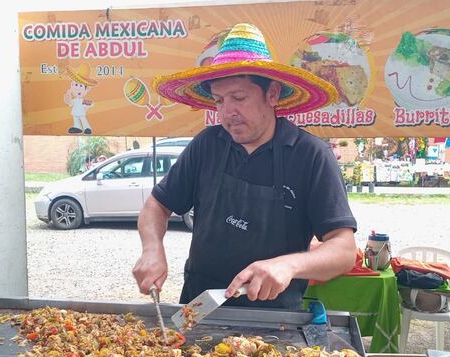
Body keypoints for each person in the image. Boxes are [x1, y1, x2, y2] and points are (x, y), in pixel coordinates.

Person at [133, 23, 357, 309]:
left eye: (238, 98)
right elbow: (157, 205)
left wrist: (289, 265)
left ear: (272, 94)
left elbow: (344, 249)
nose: (227, 113)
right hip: (199, 308)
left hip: (275, 318)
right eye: (219, 101)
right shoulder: (206, 145)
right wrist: (152, 249)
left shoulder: (311, 155)